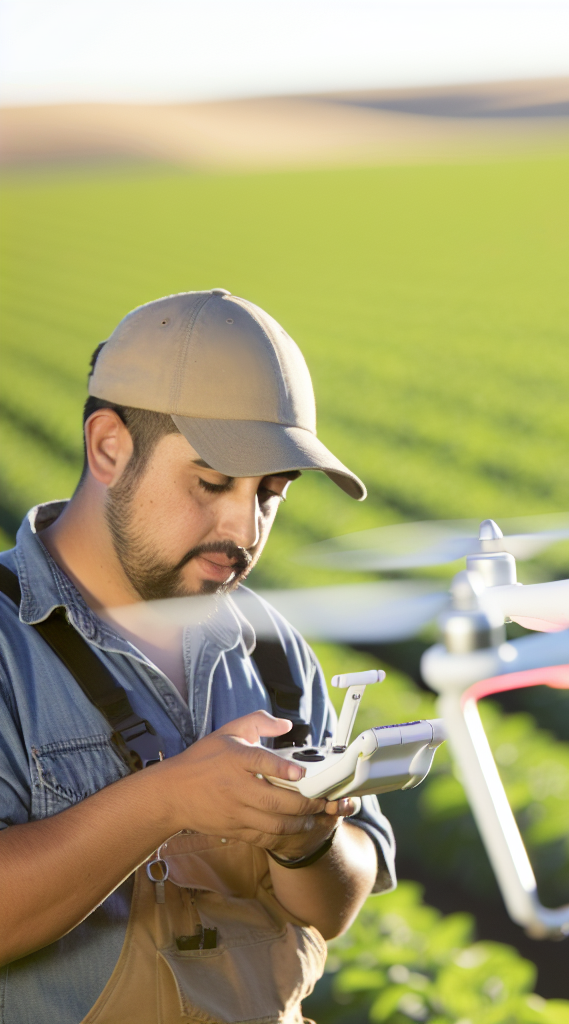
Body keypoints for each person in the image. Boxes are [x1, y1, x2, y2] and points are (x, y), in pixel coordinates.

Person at [0, 289, 396, 1023]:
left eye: (270, 495)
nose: (241, 529)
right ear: (110, 447)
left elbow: (338, 906)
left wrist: (310, 840)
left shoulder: (276, 649)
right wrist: (170, 799)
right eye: (212, 483)